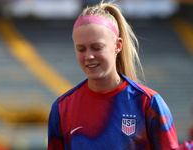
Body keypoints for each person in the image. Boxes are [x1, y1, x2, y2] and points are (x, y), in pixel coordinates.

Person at [47, 0, 192, 149]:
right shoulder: (62, 109)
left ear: (117, 46)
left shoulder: (148, 103)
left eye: (97, 47)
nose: (88, 56)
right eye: (81, 49)